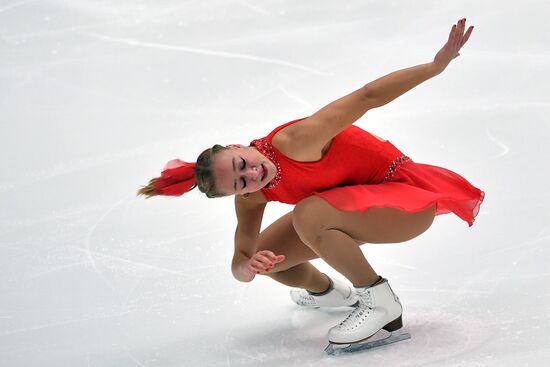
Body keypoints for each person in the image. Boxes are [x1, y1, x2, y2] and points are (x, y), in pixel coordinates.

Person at [137, 18, 483, 347]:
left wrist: (434, 67)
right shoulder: (253, 196)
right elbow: (241, 261)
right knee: (266, 255)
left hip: (406, 203)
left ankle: (378, 301)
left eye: (243, 164)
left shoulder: (296, 142)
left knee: (308, 215)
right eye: (242, 183)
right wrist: (247, 266)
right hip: (357, 208)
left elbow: (367, 96)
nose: (252, 176)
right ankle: (331, 295)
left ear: (238, 146)